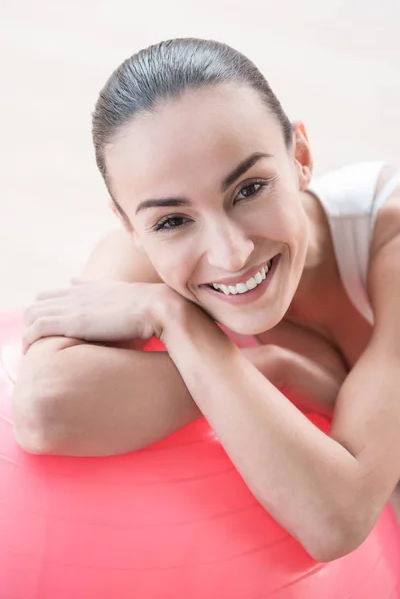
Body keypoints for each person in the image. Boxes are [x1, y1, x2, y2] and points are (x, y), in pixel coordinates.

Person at [11, 38, 400, 562]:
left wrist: (188, 335)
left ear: (301, 157)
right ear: (131, 228)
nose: (231, 252)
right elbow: (45, 409)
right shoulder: (150, 264)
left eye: (249, 189)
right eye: (171, 221)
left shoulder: (389, 238)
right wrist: (263, 365)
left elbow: (338, 516)